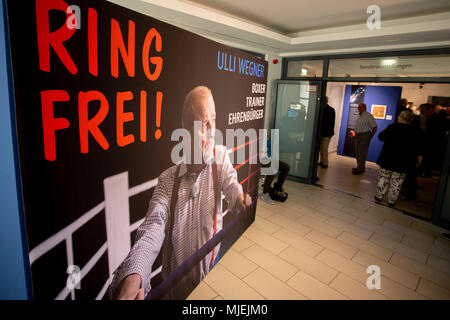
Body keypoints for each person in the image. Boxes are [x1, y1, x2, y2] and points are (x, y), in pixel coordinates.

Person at [109, 86, 251, 300]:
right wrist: (133, 277)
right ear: (186, 129)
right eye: (205, 123)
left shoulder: (220, 158)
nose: (213, 130)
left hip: (211, 276)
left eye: (214, 118)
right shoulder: (167, 181)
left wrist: (238, 198)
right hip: (175, 292)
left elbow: (231, 183)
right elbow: (151, 230)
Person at [374, 111, 424, 206]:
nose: (398, 118)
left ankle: (379, 196)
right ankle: (391, 200)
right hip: (404, 160)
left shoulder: (392, 127)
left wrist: (384, 130)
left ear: (401, 118)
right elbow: (419, 146)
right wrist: (419, 159)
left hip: (388, 158)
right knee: (397, 182)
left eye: (399, 116)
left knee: (383, 179)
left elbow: (381, 137)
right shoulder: (416, 130)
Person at [352, 103, 377, 175]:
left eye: (359, 107)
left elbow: (374, 127)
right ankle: (360, 167)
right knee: (357, 152)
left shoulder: (368, 116)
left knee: (362, 153)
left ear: (364, 108)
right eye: (358, 107)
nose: (358, 109)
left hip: (364, 136)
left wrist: (371, 136)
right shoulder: (360, 116)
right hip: (358, 136)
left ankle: (360, 169)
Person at [318, 96, 335, 168]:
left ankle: (325, 163)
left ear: (327, 101)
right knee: (321, 148)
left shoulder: (331, 110)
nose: (324, 101)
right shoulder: (320, 108)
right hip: (320, 132)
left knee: (324, 148)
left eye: (325, 100)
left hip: (327, 133)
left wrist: (330, 133)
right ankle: (322, 162)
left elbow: (332, 122)